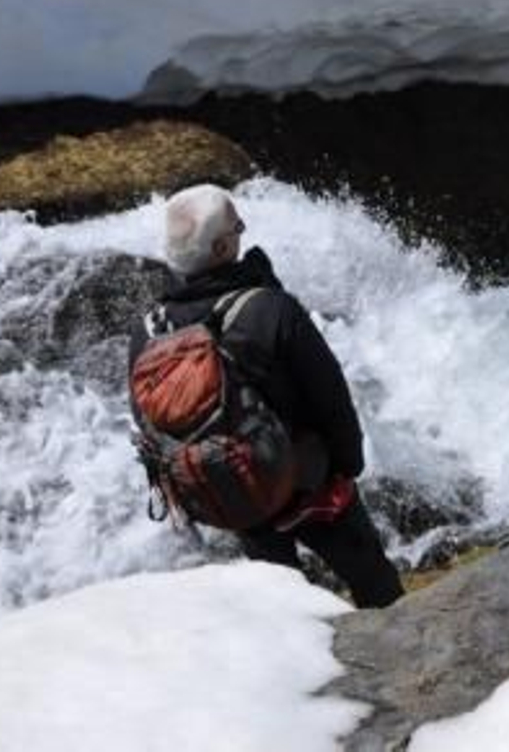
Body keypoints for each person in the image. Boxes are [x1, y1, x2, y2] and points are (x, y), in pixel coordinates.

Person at [128, 185, 404, 608]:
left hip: (233, 490)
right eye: (237, 226)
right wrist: (348, 466)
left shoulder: (148, 331)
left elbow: (147, 419)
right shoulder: (271, 309)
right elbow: (330, 398)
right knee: (375, 583)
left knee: (285, 600)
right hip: (310, 485)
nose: (242, 232)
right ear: (221, 248)